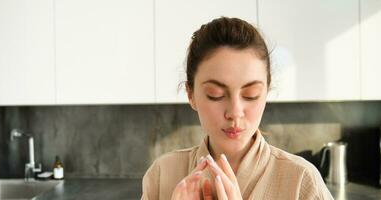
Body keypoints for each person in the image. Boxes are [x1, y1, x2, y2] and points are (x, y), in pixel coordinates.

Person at [141, 17, 333, 200]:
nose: (234, 112)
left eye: (251, 94)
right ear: (191, 94)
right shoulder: (162, 175)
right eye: (215, 94)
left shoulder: (302, 181)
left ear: (266, 92)